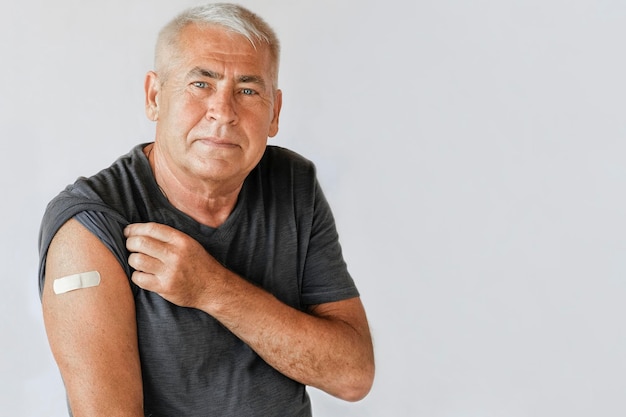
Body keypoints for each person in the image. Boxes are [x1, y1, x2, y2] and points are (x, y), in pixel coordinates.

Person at [37, 3, 374, 416]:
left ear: (275, 112)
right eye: (201, 84)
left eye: (248, 90)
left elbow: (353, 375)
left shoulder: (291, 183)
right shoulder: (89, 226)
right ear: (155, 96)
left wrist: (212, 289)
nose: (224, 112)